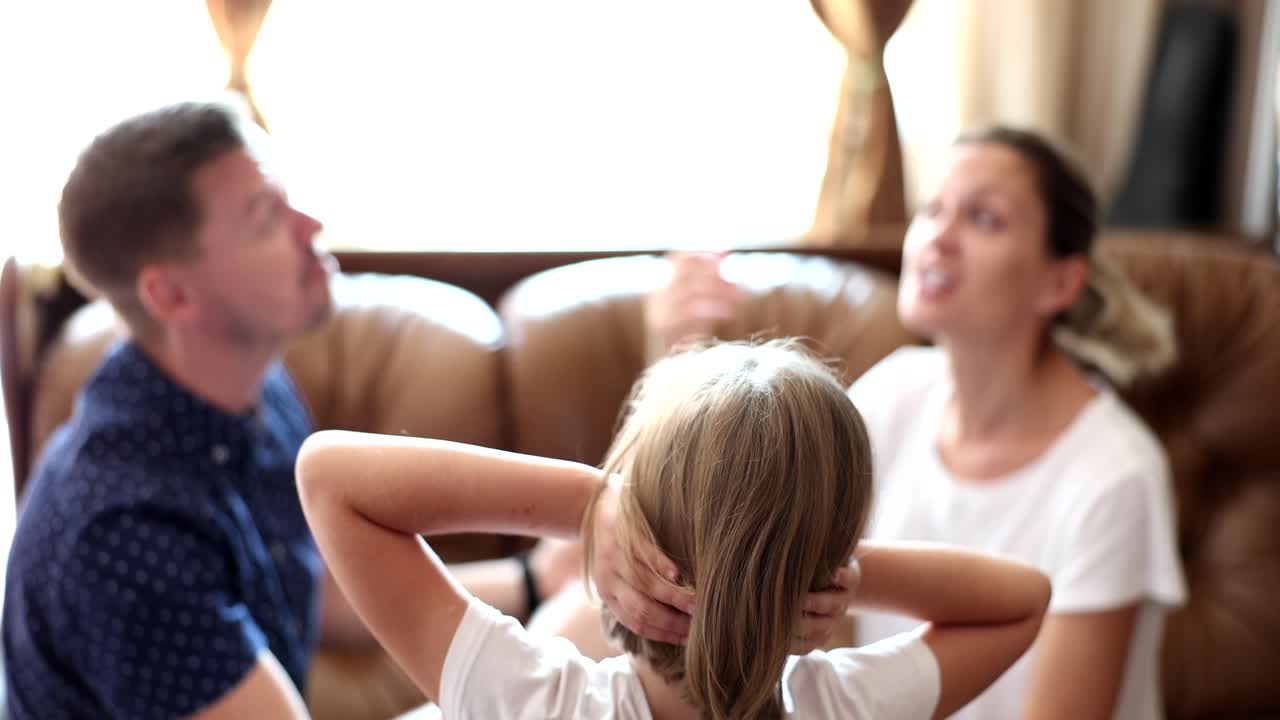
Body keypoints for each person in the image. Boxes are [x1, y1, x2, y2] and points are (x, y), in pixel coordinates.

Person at [627, 126, 1186, 719]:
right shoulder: (898, 392)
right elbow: (732, 530)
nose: (939, 236)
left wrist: (843, 581)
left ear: (1061, 282)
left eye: (984, 219)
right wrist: (677, 354)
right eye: (932, 210)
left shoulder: (1117, 474)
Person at [298, 340, 1051, 719]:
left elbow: (330, 478)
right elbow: (1022, 599)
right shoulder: (842, 706)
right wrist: (833, 579)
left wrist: (591, 507)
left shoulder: (539, 702)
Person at [0, 101, 361, 719]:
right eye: (266, 219)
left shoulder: (255, 390)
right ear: (170, 293)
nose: (312, 224)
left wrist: (535, 579)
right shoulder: (124, 535)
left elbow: (302, 581)